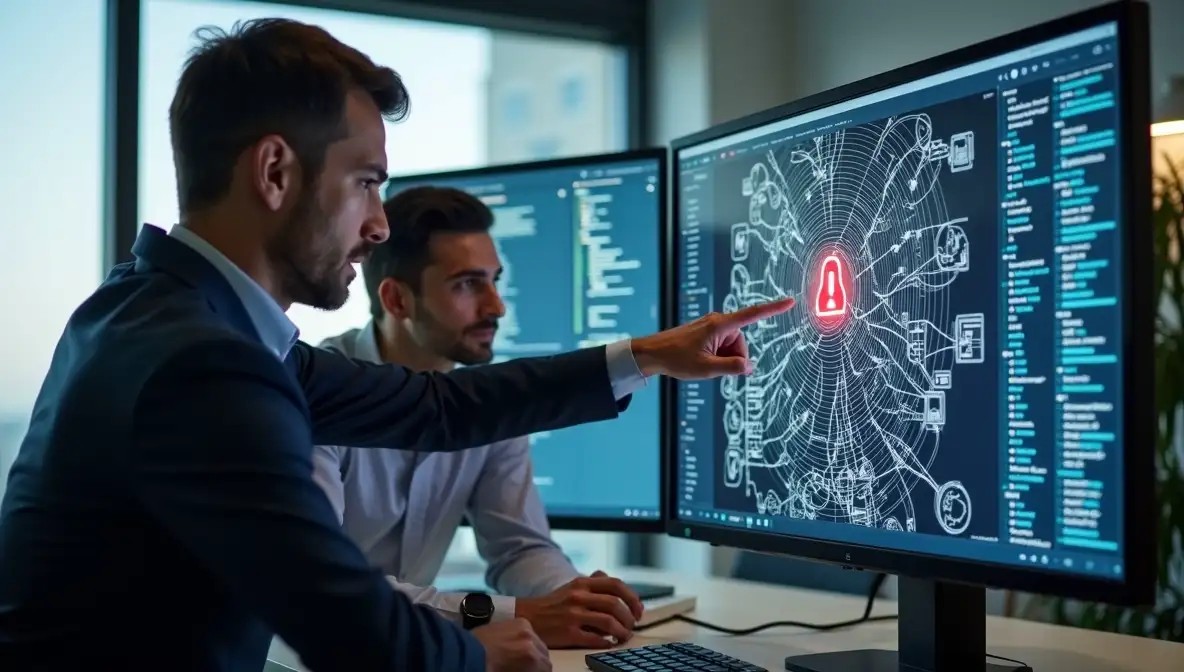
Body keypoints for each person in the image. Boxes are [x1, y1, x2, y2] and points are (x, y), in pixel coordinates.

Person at [0, 17, 794, 672]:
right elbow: (338, 617)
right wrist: (479, 655)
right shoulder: (204, 364)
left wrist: (649, 354)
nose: (378, 224)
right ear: (275, 172)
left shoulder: (165, 314)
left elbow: (440, 406)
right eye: (366, 182)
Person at [312, 185, 644, 650]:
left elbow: (519, 548)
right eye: (467, 284)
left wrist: (574, 600)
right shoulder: (320, 395)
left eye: (495, 280)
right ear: (397, 301)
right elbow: (331, 595)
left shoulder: (488, 401)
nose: (496, 307)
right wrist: (515, 614)